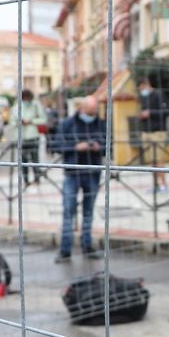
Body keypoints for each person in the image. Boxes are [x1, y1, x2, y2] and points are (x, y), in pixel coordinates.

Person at [51, 96, 106, 263]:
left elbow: (109, 144)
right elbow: (57, 145)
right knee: (68, 212)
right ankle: (65, 250)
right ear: (81, 108)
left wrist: (99, 146)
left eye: (94, 112)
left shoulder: (100, 124)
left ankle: (87, 246)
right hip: (72, 172)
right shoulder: (67, 124)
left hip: (93, 172)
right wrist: (76, 147)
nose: (92, 115)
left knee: (88, 212)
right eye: (90, 111)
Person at [136, 77, 168, 192]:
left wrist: (150, 113)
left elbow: (165, 112)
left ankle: (163, 185)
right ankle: (155, 185)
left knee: (158, 160)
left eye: (141, 87)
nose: (141, 90)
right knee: (151, 161)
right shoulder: (144, 97)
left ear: (146, 84)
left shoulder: (158, 95)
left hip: (157, 131)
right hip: (146, 131)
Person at [11, 88, 47, 186]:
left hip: (33, 136)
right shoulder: (16, 107)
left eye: (28, 98)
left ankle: (37, 179)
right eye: (24, 98)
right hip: (21, 137)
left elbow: (43, 119)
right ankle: (25, 180)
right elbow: (12, 122)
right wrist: (20, 122)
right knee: (23, 161)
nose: (26, 100)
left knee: (35, 159)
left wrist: (31, 121)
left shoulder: (35, 105)